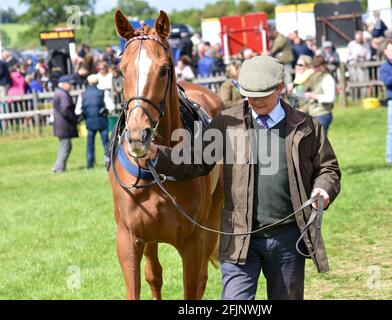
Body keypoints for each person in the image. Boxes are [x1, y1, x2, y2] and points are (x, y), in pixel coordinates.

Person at [145, 55, 341, 300]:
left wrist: (323, 189)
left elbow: (328, 168)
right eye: (249, 94)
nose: (255, 100)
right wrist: (156, 154)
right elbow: (194, 159)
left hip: (288, 237)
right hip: (238, 237)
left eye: (262, 94)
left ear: (279, 88)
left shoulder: (306, 126)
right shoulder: (227, 123)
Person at [77, 74, 109, 169]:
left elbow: (77, 110)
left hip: (89, 122)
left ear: (88, 82)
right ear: (97, 81)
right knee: (106, 144)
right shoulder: (103, 92)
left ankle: (90, 165)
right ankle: (108, 162)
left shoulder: (82, 94)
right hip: (102, 121)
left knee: (90, 144)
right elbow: (110, 106)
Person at [301, 56, 336, 134]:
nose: (316, 69)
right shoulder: (314, 77)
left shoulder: (328, 78)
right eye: (314, 67)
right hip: (312, 113)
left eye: (318, 66)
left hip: (322, 114)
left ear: (323, 65)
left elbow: (331, 98)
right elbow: (300, 90)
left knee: (319, 143)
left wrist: (314, 96)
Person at [52, 75, 78, 173]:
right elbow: (65, 109)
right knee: (66, 146)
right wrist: (74, 119)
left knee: (65, 145)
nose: (71, 86)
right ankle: (58, 168)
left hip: (60, 125)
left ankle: (58, 166)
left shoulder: (58, 93)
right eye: (69, 84)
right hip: (64, 125)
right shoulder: (63, 95)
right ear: (64, 84)